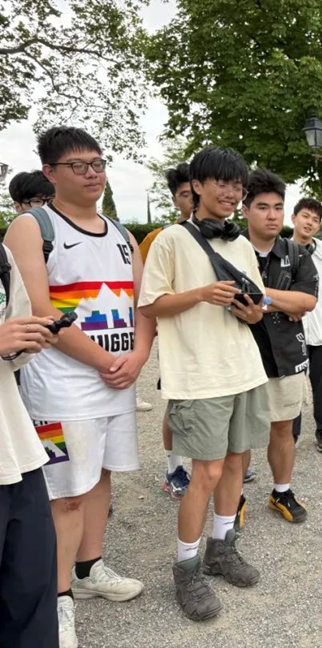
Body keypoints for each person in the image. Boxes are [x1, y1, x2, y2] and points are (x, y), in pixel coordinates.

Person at [5, 126, 156, 648]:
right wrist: (106, 361)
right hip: (61, 386)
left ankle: (90, 568)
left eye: (98, 163)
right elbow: (39, 309)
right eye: (78, 165)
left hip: (116, 381)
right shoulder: (32, 227)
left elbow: (144, 301)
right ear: (50, 172)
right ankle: (57, 597)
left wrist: (139, 355)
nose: (92, 173)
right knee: (64, 494)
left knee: (100, 478)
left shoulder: (121, 233)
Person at [139, 146, 269, 622]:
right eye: (222, 183)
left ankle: (222, 547)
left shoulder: (241, 244)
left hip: (243, 368)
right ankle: (186, 570)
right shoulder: (171, 239)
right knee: (206, 474)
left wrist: (252, 312)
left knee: (236, 464)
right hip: (198, 374)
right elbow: (150, 304)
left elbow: (257, 309)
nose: (232, 193)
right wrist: (199, 294)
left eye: (238, 185)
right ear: (196, 186)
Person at [239, 169, 318, 526]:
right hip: (241, 355)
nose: (271, 215)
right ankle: (234, 498)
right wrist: (285, 302)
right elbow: (232, 302)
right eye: (262, 207)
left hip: (287, 354)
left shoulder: (296, 253)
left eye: (277, 207)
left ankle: (281, 491)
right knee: (239, 435)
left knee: (283, 428)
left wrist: (262, 298)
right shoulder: (231, 250)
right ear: (245, 209)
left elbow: (308, 301)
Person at [0, 245, 62, 647]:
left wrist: (25, 341)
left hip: (15, 451)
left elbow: (9, 348)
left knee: (32, 597)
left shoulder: (0, 256)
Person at [139, 163, 195, 498]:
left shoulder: (226, 237)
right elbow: (143, 292)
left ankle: (222, 459)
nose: (192, 201)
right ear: (175, 199)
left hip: (215, 337)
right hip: (176, 336)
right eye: (185, 194)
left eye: (195, 193)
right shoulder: (158, 239)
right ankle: (174, 467)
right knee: (177, 403)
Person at [290, 198, 322, 452]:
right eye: (305, 216)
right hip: (292, 332)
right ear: (294, 218)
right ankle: (291, 434)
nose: (309, 223)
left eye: (315, 219)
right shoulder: (282, 251)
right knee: (292, 387)